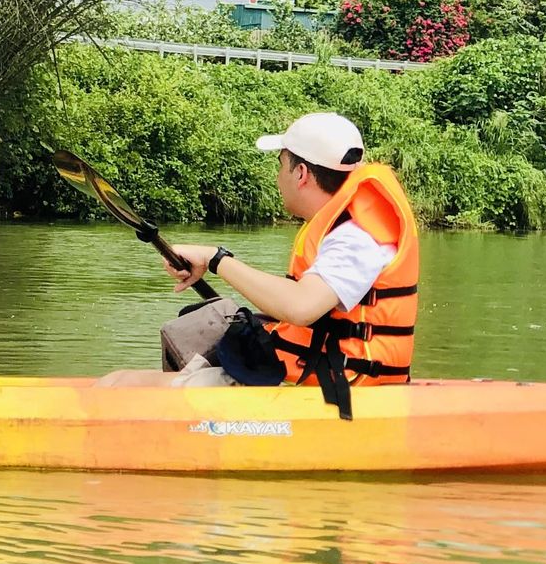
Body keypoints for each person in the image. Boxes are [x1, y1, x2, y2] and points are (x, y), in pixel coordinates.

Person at [97, 112, 419, 409]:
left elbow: (301, 307)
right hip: (316, 372)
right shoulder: (341, 226)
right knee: (197, 330)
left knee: (118, 385)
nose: (278, 176)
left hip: (339, 390)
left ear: (302, 174)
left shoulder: (357, 237)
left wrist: (216, 259)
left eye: (281, 165)